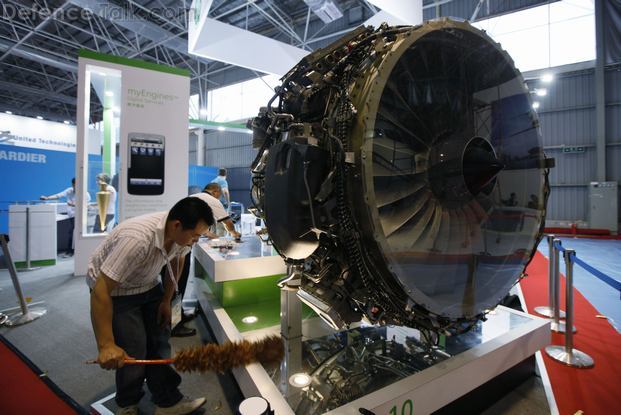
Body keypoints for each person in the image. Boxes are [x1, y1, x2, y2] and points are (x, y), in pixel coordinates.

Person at [88, 197, 214, 415]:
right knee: (133, 349)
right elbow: (101, 290)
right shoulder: (137, 239)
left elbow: (177, 260)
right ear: (177, 225)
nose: (196, 240)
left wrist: (166, 300)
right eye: (194, 235)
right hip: (118, 291)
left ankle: (167, 400)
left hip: (148, 283)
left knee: (159, 342)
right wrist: (106, 345)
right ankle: (127, 404)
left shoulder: (180, 237)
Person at [169, 183, 241, 338]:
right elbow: (227, 222)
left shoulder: (195, 198)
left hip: (177, 243)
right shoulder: (213, 201)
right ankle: (174, 326)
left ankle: (179, 315)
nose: (220, 198)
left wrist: (210, 235)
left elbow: (199, 227)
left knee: (178, 282)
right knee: (177, 284)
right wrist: (235, 233)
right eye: (220, 195)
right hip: (178, 246)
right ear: (216, 192)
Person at [40, 178, 91, 257]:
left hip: (79, 216)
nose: (74, 186)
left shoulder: (85, 193)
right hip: (71, 215)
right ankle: (70, 251)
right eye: (73, 184)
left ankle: (71, 251)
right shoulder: (69, 190)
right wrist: (47, 198)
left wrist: (73, 205)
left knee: (73, 233)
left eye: (76, 185)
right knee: (71, 232)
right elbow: (58, 195)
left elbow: (86, 206)